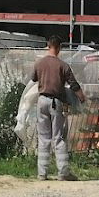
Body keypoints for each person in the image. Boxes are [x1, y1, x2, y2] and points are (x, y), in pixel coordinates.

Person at [31, 35, 82, 181]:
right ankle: (63, 172)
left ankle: (42, 173)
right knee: (58, 138)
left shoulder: (39, 63)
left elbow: (33, 78)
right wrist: (81, 97)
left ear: (48, 45)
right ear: (59, 48)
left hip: (41, 101)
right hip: (56, 102)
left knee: (43, 138)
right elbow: (74, 85)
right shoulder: (63, 65)